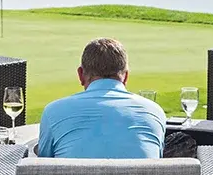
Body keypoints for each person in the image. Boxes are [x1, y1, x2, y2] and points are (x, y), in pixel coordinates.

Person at [38, 38, 166, 159]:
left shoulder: (53, 111)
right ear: (126, 77)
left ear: (81, 75)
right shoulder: (155, 112)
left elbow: (42, 165)